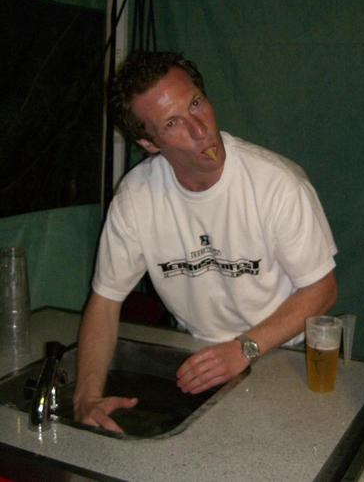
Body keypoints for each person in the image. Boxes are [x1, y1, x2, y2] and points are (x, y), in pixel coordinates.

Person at [73, 51, 338, 433]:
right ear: (149, 143)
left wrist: (245, 348)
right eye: (173, 123)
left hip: (283, 354)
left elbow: (323, 289)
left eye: (195, 103)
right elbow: (105, 301)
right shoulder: (136, 198)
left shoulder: (278, 184)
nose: (200, 130)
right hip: (199, 356)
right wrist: (86, 397)